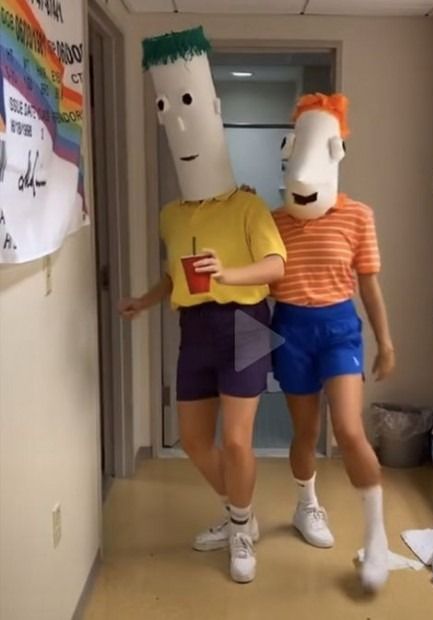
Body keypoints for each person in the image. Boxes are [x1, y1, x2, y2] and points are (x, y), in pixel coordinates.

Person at [119, 27, 286, 584]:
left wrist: (229, 272)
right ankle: (241, 511)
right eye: (167, 109)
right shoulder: (172, 214)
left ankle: (240, 529)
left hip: (247, 322)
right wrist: (145, 300)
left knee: (237, 440)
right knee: (193, 440)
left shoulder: (247, 205)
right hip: (196, 326)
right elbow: (176, 274)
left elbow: (275, 267)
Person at [270, 93, 395, 592]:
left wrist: (386, 342)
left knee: (347, 428)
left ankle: (377, 537)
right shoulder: (273, 220)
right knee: (304, 433)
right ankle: (306, 506)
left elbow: (368, 283)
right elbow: (257, 286)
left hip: (339, 327)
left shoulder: (357, 216)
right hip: (290, 329)